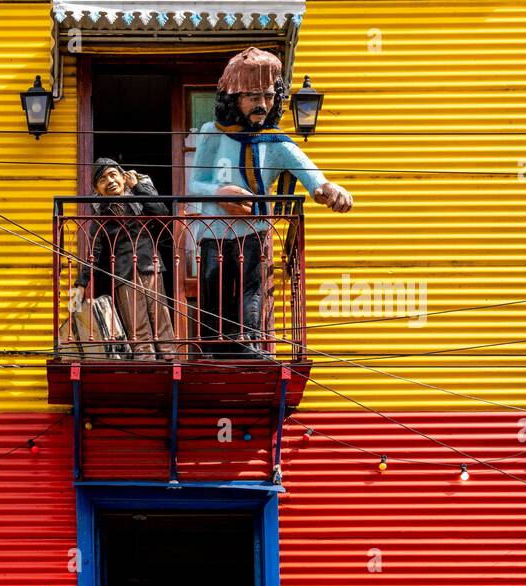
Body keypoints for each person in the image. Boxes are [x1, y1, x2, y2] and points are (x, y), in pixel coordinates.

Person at [187, 48, 352, 357]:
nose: (261, 105)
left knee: (252, 286)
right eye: (251, 96)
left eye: (267, 96)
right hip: (213, 230)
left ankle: (248, 343)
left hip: (255, 229)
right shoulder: (212, 133)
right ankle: (211, 347)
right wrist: (220, 194)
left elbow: (311, 174)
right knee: (213, 284)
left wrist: (329, 190)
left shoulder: (276, 142)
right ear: (234, 99)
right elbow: (194, 182)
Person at [69, 159, 177, 359]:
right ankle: (146, 360)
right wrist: (80, 284)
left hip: (149, 264)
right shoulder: (100, 217)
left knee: (159, 313)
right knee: (136, 321)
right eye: (102, 179)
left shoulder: (138, 200)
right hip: (123, 273)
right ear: (97, 189)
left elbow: (162, 212)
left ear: (122, 177)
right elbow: (94, 253)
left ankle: (169, 356)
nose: (109, 181)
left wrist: (137, 186)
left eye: (113, 175)